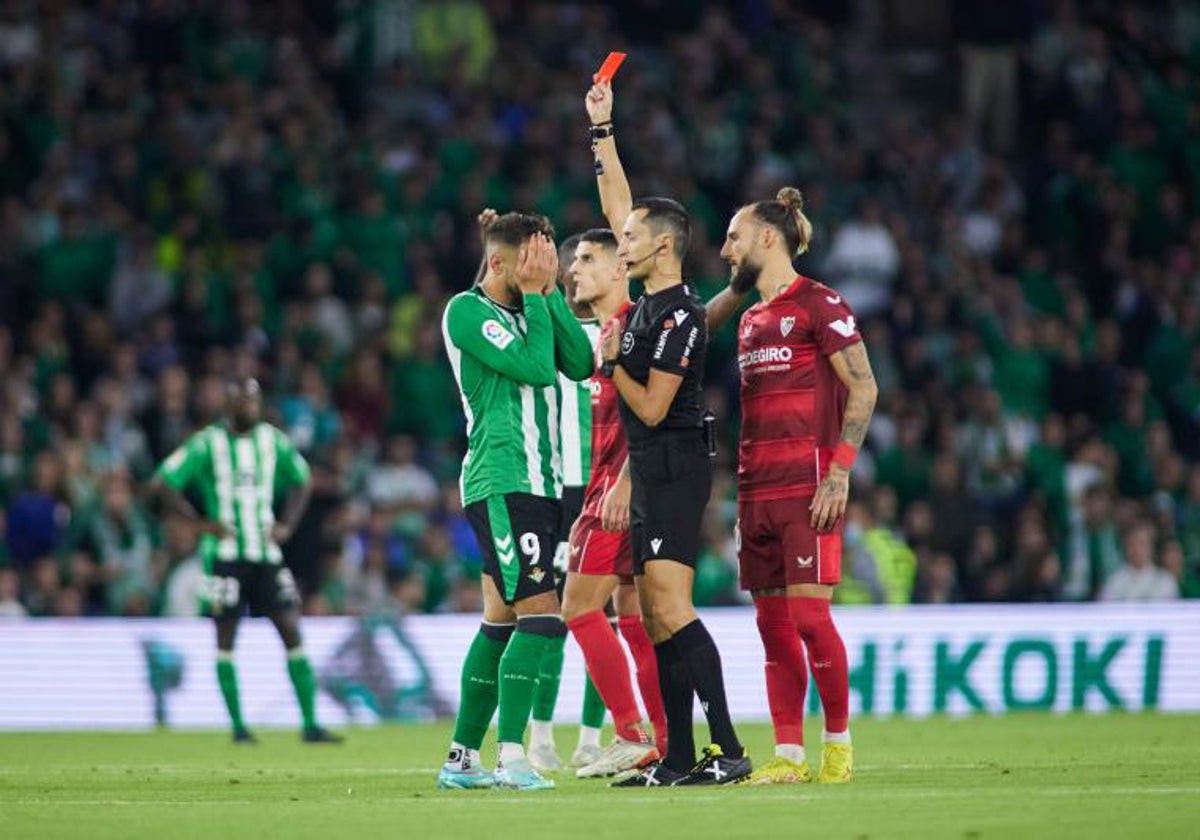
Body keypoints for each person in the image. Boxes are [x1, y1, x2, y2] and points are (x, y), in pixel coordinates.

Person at [587, 79, 751, 787]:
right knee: (653, 616)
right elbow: (620, 207)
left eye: (628, 241)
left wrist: (613, 360)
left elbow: (651, 408)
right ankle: (679, 757)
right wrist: (602, 132)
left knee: (672, 609)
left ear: (660, 249)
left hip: (676, 463)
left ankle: (731, 750)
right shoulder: (649, 304)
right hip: (653, 468)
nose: (618, 243)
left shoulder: (678, 316)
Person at [711, 186, 879, 784]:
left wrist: (838, 472)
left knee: (810, 621)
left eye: (733, 235)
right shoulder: (750, 317)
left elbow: (864, 388)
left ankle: (838, 744)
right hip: (755, 489)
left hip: (808, 488)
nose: (725, 247)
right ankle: (788, 756)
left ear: (766, 237)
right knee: (772, 629)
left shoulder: (820, 303)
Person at [436, 212, 594, 791]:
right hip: (501, 481)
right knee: (542, 616)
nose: (547, 269)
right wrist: (534, 293)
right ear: (501, 261)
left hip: (545, 483)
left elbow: (580, 363)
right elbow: (535, 369)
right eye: (535, 260)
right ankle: (511, 756)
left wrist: (546, 293)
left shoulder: (536, 298)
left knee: (500, 620)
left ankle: (460, 759)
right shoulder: (466, 310)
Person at [150, 378, 341, 744]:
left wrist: (288, 524)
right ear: (229, 403)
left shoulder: (272, 440)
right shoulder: (207, 442)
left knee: (291, 625)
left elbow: (304, 480)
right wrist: (199, 523)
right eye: (243, 400)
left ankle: (310, 724)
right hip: (225, 556)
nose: (250, 405)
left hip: (266, 553)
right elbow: (164, 482)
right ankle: (238, 726)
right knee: (225, 634)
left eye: (255, 398)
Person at [560, 228, 669, 778]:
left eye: (584, 260)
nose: (573, 269)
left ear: (617, 269)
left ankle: (629, 731)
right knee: (633, 618)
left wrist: (623, 483)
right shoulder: (611, 329)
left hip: (617, 490)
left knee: (578, 607)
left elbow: (656, 415)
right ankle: (663, 742)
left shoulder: (633, 328)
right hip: (623, 487)